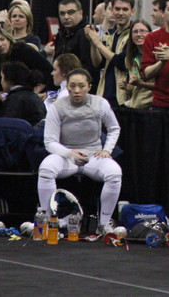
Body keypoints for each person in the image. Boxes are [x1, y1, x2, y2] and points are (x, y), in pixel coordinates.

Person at [37, 67, 122, 235]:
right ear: (67, 86)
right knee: (46, 169)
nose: (76, 90)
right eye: (72, 86)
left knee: (114, 173)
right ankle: (46, 221)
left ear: (89, 87)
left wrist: (107, 150)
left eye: (81, 86)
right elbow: (50, 141)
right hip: (66, 155)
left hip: (93, 155)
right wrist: (69, 154)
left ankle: (104, 224)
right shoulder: (57, 106)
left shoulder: (100, 103)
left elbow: (114, 128)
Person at [0, 28, 54, 94]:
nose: (0, 44)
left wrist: (40, 87)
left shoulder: (21, 50)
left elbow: (47, 68)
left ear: (8, 39)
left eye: (2, 39)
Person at [113, 19, 154, 109]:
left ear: (150, 34)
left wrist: (139, 83)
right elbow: (136, 87)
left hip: (152, 107)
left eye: (142, 31)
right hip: (135, 106)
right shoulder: (129, 59)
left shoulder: (157, 55)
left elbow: (160, 86)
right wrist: (127, 87)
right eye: (135, 32)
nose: (139, 34)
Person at [46, 0, 94, 68]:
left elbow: (88, 66)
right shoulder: (61, 33)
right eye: (62, 13)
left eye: (71, 12)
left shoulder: (87, 33)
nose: (66, 17)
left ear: (81, 13)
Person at [0, 61, 48, 125]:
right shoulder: (35, 97)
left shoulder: (14, 99)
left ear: (9, 80)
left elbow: (8, 127)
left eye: (2, 77)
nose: (1, 81)